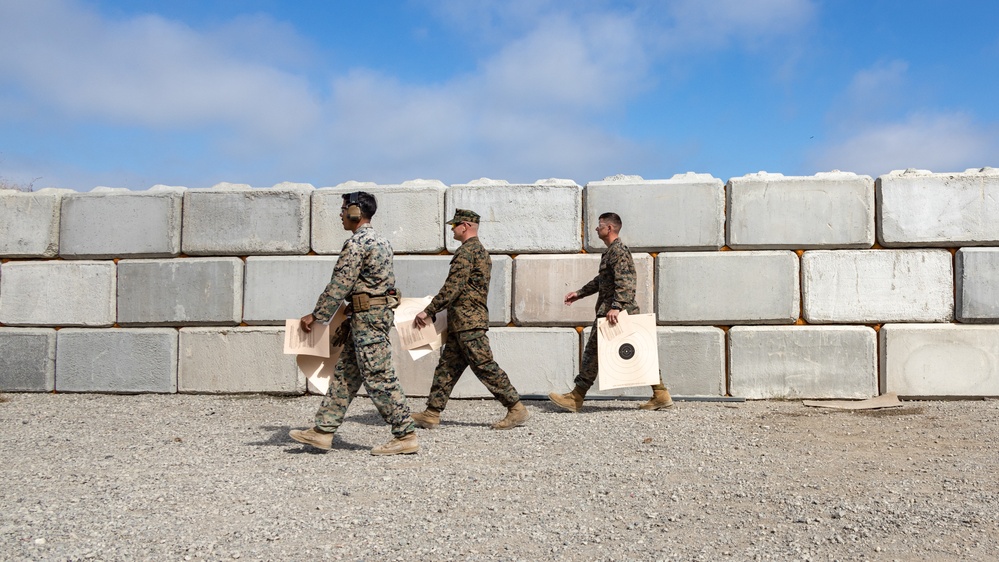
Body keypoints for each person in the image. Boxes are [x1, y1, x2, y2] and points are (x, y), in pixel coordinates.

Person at [289, 191, 419, 456]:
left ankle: (405, 434)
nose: (341, 214)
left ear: (356, 212)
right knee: (345, 376)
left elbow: (340, 283)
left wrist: (316, 315)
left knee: (378, 375)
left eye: (344, 209)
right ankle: (323, 431)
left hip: (368, 320)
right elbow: (374, 283)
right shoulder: (382, 241)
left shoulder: (358, 243)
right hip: (368, 316)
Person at [410, 209, 530, 430]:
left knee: (484, 365)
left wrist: (430, 310)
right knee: (446, 368)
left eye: (454, 225)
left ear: (465, 225)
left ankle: (516, 408)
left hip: (468, 322)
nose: (452, 229)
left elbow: (453, 285)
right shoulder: (480, 251)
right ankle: (432, 413)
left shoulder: (467, 252)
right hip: (463, 322)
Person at [549, 212, 673, 412]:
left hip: (616, 312)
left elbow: (626, 281)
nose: (597, 229)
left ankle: (576, 397)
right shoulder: (611, 252)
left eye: (600, 226)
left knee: (593, 353)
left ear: (610, 228)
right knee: (637, 352)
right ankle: (660, 393)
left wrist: (616, 306)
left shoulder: (619, 250)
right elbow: (603, 281)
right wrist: (580, 293)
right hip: (616, 310)